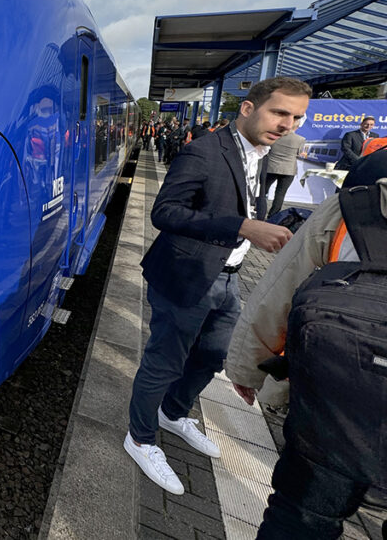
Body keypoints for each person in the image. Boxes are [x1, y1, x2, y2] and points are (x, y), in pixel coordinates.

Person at [124, 76, 311, 495]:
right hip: (188, 277)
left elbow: (242, 203)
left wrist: (267, 225)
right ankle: (140, 437)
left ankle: (172, 414)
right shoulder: (203, 150)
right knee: (164, 363)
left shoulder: (260, 152)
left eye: (297, 117)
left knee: (212, 355)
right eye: (279, 112)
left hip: (228, 277)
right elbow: (165, 212)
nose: (288, 125)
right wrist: (242, 226)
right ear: (248, 108)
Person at [225, 149, 387, 539]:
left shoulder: (364, 189)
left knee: (302, 517)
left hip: (336, 402)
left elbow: (278, 292)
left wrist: (248, 369)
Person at [263, 119, 306, 217]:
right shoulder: (300, 139)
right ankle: (273, 215)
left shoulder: (275, 136)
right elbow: (299, 153)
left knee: (263, 190)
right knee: (280, 194)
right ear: (297, 127)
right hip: (288, 169)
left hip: (271, 167)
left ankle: (259, 210)